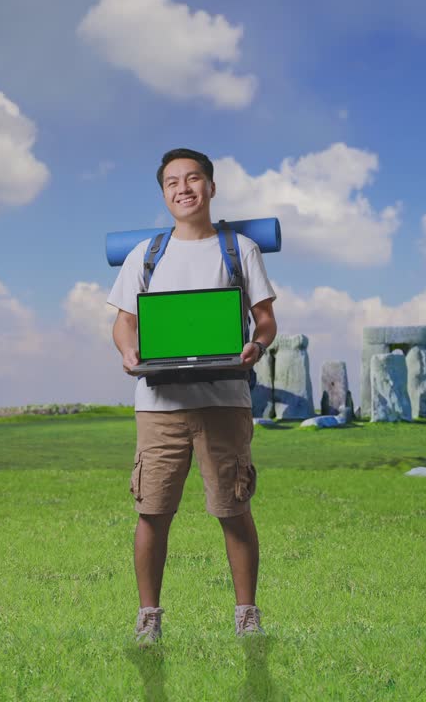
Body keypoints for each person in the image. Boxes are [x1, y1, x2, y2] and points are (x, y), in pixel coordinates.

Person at [107, 148, 278, 645]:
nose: (184, 188)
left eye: (194, 179)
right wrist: (128, 352)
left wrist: (257, 344)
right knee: (153, 511)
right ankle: (149, 618)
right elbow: (124, 322)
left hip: (225, 400)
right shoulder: (147, 253)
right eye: (173, 182)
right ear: (164, 194)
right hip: (158, 407)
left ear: (211, 187)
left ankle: (246, 615)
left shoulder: (239, 249)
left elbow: (264, 318)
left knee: (232, 508)